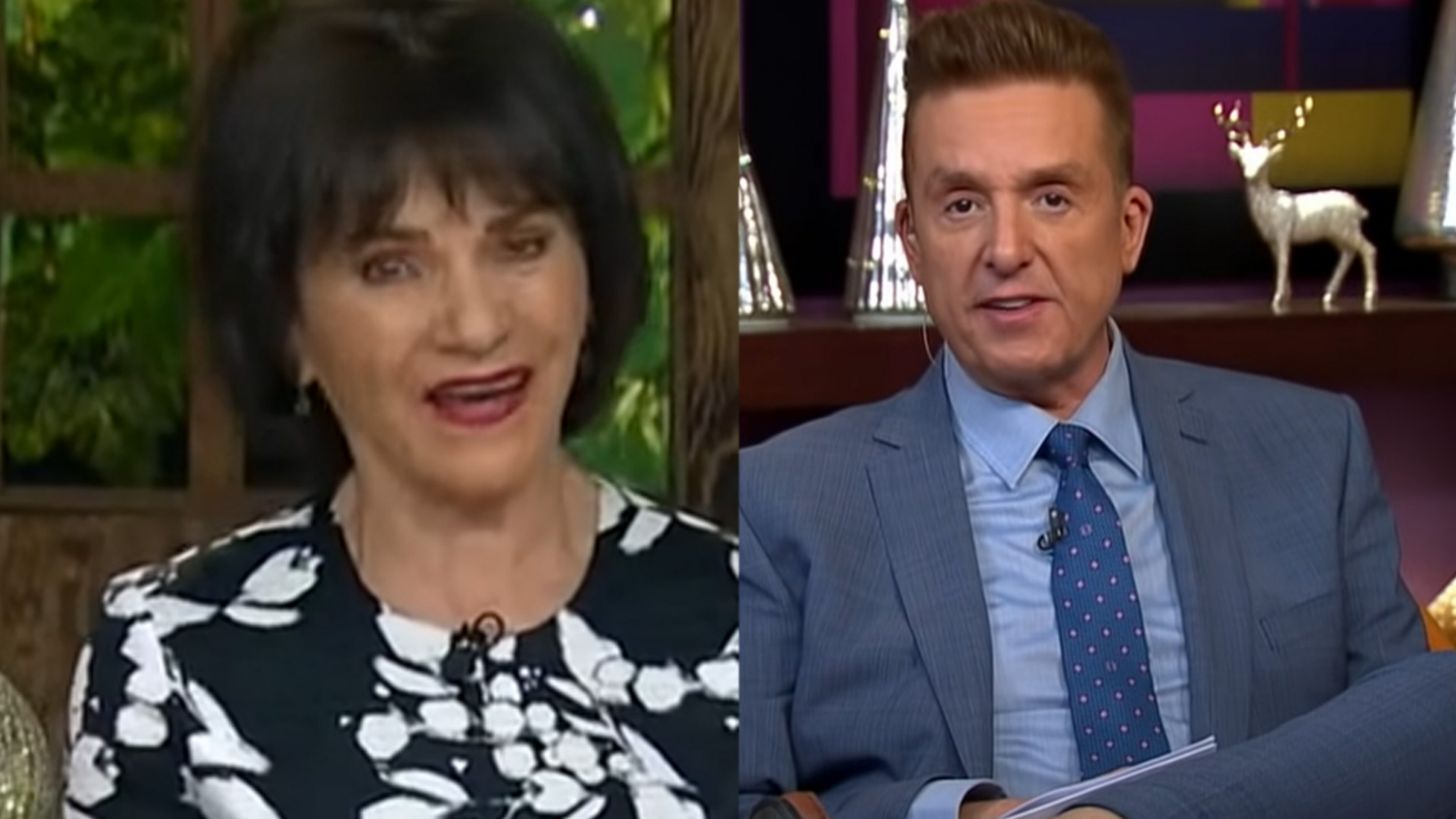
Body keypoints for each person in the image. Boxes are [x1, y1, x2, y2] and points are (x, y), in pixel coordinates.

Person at [738, 2, 1456, 818]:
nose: (1006, 250)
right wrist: (950, 813)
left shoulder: (1312, 448)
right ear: (913, 241)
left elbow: (1417, 742)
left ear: (1128, 228)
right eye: (963, 204)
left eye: (1051, 197)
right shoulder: (780, 502)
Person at [63, 2, 737, 817]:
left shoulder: (748, 618)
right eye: (392, 266)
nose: (476, 324)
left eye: (521, 246)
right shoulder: (170, 654)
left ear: (592, 278)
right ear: (287, 324)